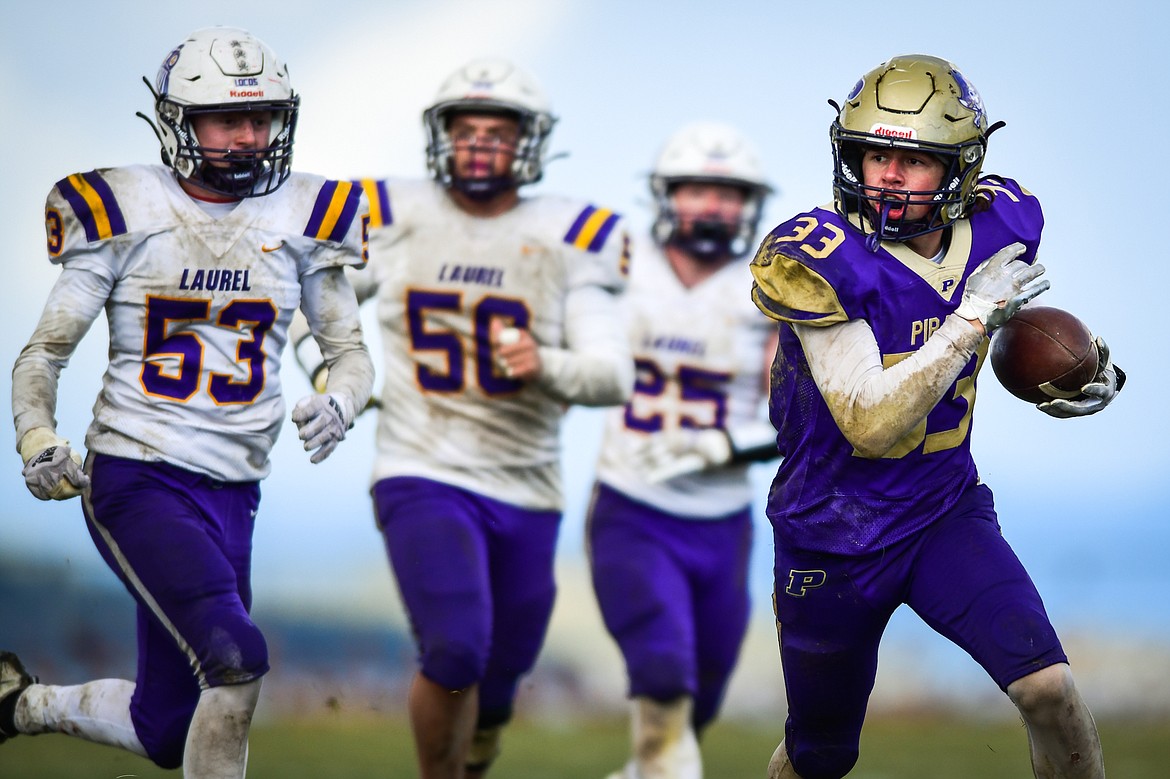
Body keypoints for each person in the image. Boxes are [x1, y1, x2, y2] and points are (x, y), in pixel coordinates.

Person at [1, 27, 373, 779]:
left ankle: (18, 704)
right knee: (237, 659)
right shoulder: (124, 209)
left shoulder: (306, 218)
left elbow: (349, 355)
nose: (249, 136)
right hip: (138, 476)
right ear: (179, 122)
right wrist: (37, 432)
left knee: (168, 729)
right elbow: (45, 350)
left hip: (236, 491)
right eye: (227, 120)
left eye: (262, 117)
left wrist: (343, 403)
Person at [749, 54, 1123, 779]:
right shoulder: (817, 255)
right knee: (819, 756)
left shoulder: (1002, 222)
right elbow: (869, 421)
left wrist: (1083, 363)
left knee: (1048, 687)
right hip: (831, 536)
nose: (886, 174)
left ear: (961, 168)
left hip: (939, 513)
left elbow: (1021, 314)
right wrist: (974, 318)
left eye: (911, 160)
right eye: (874, 153)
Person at [291, 58, 632, 779]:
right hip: (423, 464)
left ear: (528, 142)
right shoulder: (389, 213)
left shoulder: (573, 231)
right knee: (454, 651)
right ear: (440, 136)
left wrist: (546, 362)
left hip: (528, 486)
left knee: (502, 678)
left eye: (497, 131)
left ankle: (477, 751)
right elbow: (313, 307)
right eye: (465, 128)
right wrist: (335, 376)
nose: (479, 144)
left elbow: (612, 373)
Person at [587, 122, 779, 779]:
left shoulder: (774, 286)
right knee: (664, 671)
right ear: (667, 194)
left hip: (723, 521)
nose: (714, 206)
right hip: (632, 505)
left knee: (701, 697)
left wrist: (727, 441)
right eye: (699, 188)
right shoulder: (614, 261)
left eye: (730, 193)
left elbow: (800, 415)